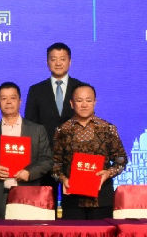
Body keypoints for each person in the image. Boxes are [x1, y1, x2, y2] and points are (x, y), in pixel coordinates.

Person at [0, 82, 53, 220]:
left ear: (20, 101)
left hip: (28, 195)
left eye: (13, 98)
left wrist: (30, 173)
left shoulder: (37, 130)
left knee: (27, 233)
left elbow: (47, 160)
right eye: (3, 98)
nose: (8, 102)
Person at [51, 84, 128, 220]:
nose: (84, 105)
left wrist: (108, 173)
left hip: (101, 199)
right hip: (72, 200)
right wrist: (63, 179)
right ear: (72, 103)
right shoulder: (62, 130)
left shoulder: (108, 129)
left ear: (94, 102)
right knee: (73, 234)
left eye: (88, 100)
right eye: (79, 100)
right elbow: (54, 164)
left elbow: (121, 160)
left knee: (101, 234)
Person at [24, 42, 86, 144]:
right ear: (47, 62)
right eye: (53, 59)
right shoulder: (36, 90)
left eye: (62, 59)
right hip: (45, 149)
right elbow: (30, 124)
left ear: (69, 61)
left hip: (76, 147)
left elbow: (88, 119)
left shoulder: (82, 88)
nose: (58, 63)